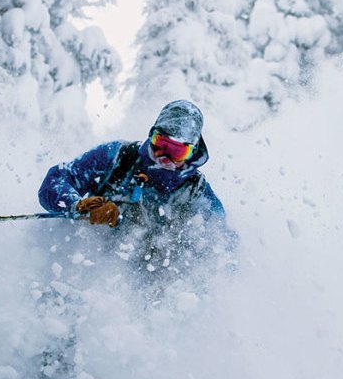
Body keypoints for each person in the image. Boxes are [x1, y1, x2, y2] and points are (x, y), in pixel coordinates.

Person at [38, 99, 235, 280]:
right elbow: (58, 178)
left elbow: (222, 242)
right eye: (161, 144)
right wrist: (78, 205)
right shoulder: (117, 157)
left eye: (178, 151)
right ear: (151, 135)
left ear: (192, 152)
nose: (165, 158)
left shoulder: (196, 193)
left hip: (152, 284)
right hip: (87, 265)